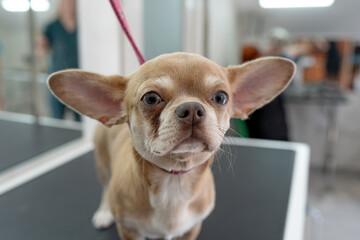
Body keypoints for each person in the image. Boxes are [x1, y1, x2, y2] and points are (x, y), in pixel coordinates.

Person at [38, 0, 80, 121]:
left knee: (80, 118)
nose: (69, 6)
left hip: (77, 79)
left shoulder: (82, 27)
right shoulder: (52, 27)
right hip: (57, 78)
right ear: (60, 6)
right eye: (66, 3)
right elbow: (41, 50)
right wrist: (40, 46)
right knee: (57, 117)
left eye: (72, 3)